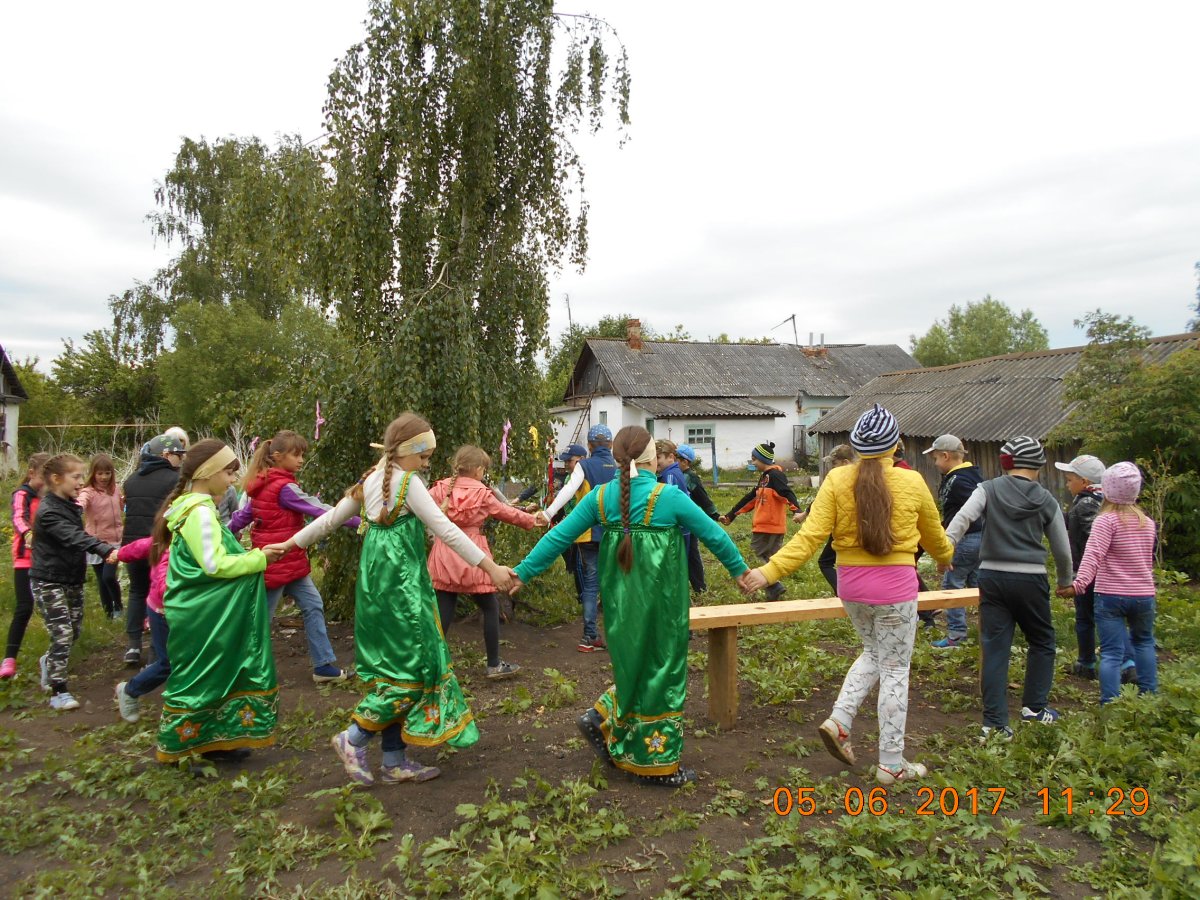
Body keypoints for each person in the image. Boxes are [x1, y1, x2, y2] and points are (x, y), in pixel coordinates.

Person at [267, 413, 514, 786]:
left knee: (395, 670)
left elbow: (330, 518)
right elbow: (444, 529)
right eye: (425, 456)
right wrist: (490, 567)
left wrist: (291, 543)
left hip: (376, 589)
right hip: (402, 589)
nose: (427, 463)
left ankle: (394, 760)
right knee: (413, 671)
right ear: (409, 451)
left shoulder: (372, 479)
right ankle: (354, 738)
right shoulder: (407, 483)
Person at [510, 426, 750, 787]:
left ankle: (603, 716)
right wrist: (740, 572)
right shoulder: (668, 497)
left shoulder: (601, 498)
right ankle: (654, 763)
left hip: (620, 602)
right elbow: (713, 534)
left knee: (632, 663)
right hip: (662, 602)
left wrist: (522, 573)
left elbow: (559, 536)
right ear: (653, 460)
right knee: (663, 667)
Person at [742, 405, 953, 784]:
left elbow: (809, 538)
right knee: (894, 669)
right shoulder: (913, 482)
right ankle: (891, 763)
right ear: (895, 447)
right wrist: (946, 558)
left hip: (850, 585)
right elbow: (935, 536)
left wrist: (767, 570)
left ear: (854, 445)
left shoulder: (838, 479)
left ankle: (840, 720)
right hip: (895, 588)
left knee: (874, 652)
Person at [154, 440, 283, 763]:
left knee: (214, 674)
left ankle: (212, 741)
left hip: (202, 609)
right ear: (207, 472)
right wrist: (259, 558)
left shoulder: (194, 508)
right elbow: (214, 564)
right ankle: (184, 748)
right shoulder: (198, 513)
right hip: (201, 613)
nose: (231, 480)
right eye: (227, 472)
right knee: (201, 676)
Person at [945, 436, 1073, 739]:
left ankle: (994, 724)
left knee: (995, 648)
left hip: (992, 577)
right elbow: (1062, 549)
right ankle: (1034, 708)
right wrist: (1066, 581)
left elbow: (962, 519)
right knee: (1042, 641)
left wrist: (946, 548)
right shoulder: (1047, 499)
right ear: (1039, 466)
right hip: (1031, 579)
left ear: (1005, 462)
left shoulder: (987, 489)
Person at [230, 430, 354, 684]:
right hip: (276, 565)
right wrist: (359, 520)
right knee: (261, 620)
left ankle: (323, 667)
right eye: (295, 455)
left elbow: (240, 518)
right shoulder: (284, 488)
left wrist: (223, 534)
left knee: (313, 606)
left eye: (302, 455)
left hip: (291, 565)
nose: (301, 460)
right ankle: (243, 671)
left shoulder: (262, 485)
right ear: (277, 456)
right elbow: (320, 511)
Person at [429, 445, 543, 680]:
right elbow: (506, 513)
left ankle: (432, 666)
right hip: (474, 554)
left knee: (443, 610)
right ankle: (493, 665)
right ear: (479, 469)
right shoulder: (481, 493)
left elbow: (420, 509)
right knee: (490, 607)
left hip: (444, 552)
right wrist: (532, 520)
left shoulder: (440, 488)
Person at [1057, 463, 1158, 704]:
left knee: (1112, 652)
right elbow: (1148, 557)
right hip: (1144, 595)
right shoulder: (1147, 523)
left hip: (1111, 595)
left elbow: (1093, 556)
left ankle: (1110, 703)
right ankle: (1149, 699)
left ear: (1107, 490)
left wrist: (1078, 585)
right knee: (1144, 643)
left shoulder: (1106, 521)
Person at [29, 454, 120, 711]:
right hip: (48, 580)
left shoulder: (70, 505)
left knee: (74, 632)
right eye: (76, 477)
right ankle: (58, 690)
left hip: (72, 578)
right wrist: (104, 550)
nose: (82, 482)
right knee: (63, 633)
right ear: (57, 479)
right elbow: (74, 536)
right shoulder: (48, 511)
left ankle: (49, 661)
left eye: (82, 476)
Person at [1054, 454, 1138, 683]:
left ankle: (1089, 662)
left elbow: (1098, 539)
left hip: (1091, 573)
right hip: (1110, 576)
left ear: (1084, 481)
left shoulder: (1088, 503)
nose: (1067, 484)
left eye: (1070, 479)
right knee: (1112, 620)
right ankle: (1126, 662)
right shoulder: (1105, 499)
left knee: (1088, 618)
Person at [539, 424, 619, 651]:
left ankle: (590, 636)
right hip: (614, 534)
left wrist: (547, 514)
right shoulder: (619, 466)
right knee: (614, 583)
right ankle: (618, 635)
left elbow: (566, 491)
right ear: (611, 445)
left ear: (590, 446)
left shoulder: (583, 465)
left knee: (591, 586)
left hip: (588, 534)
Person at [121, 434, 185, 667]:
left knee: (137, 593)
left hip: (131, 544)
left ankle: (133, 646)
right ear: (166, 455)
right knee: (159, 598)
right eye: (178, 455)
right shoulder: (175, 480)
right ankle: (156, 655)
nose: (180, 460)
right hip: (158, 545)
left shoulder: (131, 479)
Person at [720, 440, 801, 600]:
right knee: (769, 559)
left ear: (763, 460)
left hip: (767, 527)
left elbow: (786, 493)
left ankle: (774, 585)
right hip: (771, 527)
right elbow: (750, 499)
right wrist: (731, 515)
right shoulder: (765, 478)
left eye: (754, 459)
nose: (753, 463)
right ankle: (772, 592)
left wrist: (797, 510)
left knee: (755, 554)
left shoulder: (775, 476)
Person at [923, 435, 983, 648]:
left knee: (952, 585)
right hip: (979, 539)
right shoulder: (971, 476)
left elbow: (970, 512)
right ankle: (989, 631)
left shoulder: (959, 481)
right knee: (977, 585)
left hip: (966, 538)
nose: (935, 463)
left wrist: (949, 542)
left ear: (946, 456)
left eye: (936, 458)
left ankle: (956, 635)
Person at [113, 516, 172, 723]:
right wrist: (118, 554)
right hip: (163, 613)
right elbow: (165, 583)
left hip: (182, 612)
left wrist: (119, 554)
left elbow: (137, 547)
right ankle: (129, 690)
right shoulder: (168, 547)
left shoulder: (198, 543)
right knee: (168, 663)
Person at [1, 452, 50, 680]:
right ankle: (9, 658)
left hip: (48, 559)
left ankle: (52, 657)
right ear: (32, 473)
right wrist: (29, 534)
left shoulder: (52, 496)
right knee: (24, 606)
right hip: (25, 558)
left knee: (52, 607)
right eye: (44, 475)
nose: (47, 481)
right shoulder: (23, 494)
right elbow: (18, 517)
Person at [795, 444, 856, 592]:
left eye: (834, 463)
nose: (831, 468)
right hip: (847, 529)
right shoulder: (861, 476)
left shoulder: (843, 480)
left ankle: (843, 593)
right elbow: (822, 500)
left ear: (845, 463)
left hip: (845, 530)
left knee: (825, 562)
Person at [78, 453, 125, 620]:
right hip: (95, 542)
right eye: (100, 473)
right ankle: (108, 614)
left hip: (115, 541)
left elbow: (123, 506)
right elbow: (81, 502)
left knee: (109, 576)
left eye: (107, 473)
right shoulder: (88, 492)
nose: (104, 477)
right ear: (93, 474)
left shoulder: (116, 490)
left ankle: (118, 606)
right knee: (101, 580)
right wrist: (76, 509)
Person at [675, 444, 720, 594]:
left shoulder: (691, 477)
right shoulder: (675, 474)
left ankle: (699, 587)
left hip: (689, 522)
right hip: (676, 523)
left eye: (676, 459)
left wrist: (715, 515)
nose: (674, 461)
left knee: (692, 555)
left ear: (685, 462)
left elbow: (703, 498)